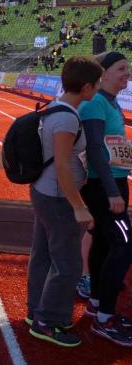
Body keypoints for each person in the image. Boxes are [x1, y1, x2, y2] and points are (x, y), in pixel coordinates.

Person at [26, 56, 101, 348]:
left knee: (43, 255)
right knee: (67, 263)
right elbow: (61, 165)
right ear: (86, 87)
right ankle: (49, 321)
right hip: (58, 197)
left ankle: (36, 311)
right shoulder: (67, 117)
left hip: (45, 191)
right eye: (96, 85)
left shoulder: (54, 107)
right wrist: (79, 206)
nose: (97, 90)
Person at [78, 51, 132, 347]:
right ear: (104, 73)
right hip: (104, 187)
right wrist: (112, 191)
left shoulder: (110, 102)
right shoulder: (95, 104)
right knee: (124, 246)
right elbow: (97, 150)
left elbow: (112, 146)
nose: (128, 73)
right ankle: (105, 319)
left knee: (102, 243)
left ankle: (97, 304)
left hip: (113, 182)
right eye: (121, 68)